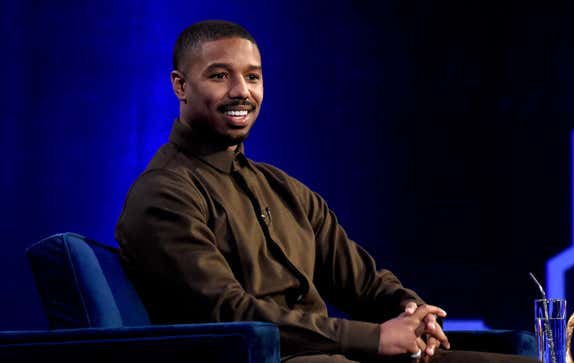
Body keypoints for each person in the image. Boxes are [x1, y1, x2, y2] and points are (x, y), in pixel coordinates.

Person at [115, 20, 536, 363]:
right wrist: (373, 339)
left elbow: (363, 283)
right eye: (220, 76)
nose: (241, 91)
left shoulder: (286, 190)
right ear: (180, 86)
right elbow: (228, 315)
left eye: (253, 77)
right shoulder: (164, 195)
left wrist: (410, 312)